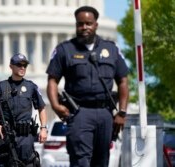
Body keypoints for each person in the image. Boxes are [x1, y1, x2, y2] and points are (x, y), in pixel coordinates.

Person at [46, 6, 129, 167]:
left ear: (96, 25)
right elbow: (52, 80)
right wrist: (56, 106)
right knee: (80, 160)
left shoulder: (111, 49)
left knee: (101, 161)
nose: (84, 27)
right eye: (80, 24)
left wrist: (122, 111)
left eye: (88, 23)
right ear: (76, 25)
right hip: (79, 113)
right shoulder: (65, 50)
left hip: (105, 114)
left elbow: (123, 81)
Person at [0, 53, 48, 167]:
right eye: (19, 65)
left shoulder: (31, 87)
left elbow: (42, 107)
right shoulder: (1, 87)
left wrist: (43, 128)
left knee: (29, 163)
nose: (22, 68)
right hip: (6, 137)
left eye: (25, 65)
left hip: (25, 138)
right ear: (11, 66)